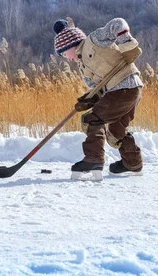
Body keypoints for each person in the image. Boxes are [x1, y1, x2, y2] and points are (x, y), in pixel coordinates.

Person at [53, 17, 144, 181]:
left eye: (64, 53)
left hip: (124, 87)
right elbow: (101, 91)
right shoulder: (83, 68)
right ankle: (133, 163)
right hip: (130, 90)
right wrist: (89, 100)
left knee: (91, 120)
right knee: (116, 132)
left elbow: (118, 23)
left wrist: (126, 42)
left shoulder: (94, 40)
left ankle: (93, 160)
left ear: (70, 44)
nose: (66, 58)